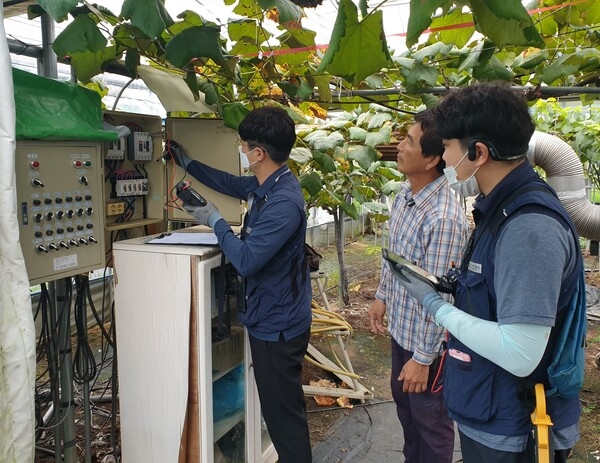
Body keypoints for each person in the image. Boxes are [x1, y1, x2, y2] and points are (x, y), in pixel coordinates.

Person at [393, 82, 583, 463]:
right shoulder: (498, 209)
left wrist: (436, 306)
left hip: (515, 426)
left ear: (477, 152)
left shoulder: (529, 227)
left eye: (447, 147)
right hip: (491, 407)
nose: (444, 159)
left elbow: (520, 352)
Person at [167, 106, 313, 463]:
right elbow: (229, 183)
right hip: (271, 315)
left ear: (259, 153)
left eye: (244, 145)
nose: (241, 150)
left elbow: (246, 260)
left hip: (278, 327)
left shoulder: (283, 203)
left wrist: (214, 220)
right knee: (281, 412)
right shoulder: (268, 184)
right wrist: (189, 165)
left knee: (283, 420)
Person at [368, 109, 469, 463]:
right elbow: (394, 256)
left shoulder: (442, 217)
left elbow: (441, 298)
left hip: (427, 347)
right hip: (402, 330)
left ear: (431, 158)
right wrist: (382, 296)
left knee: (431, 425)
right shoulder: (403, 195)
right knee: (408, 418)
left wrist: (423, 360)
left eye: (408, 141)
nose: (399, 146)